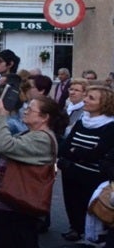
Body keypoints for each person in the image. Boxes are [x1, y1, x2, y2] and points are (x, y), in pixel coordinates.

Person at [0, 96, 67, 247]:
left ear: (44, 117)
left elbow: (6, 146)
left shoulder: (42, 139)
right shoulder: (29, 133)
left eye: (31, 109)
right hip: (12, 199)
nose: (25, 111)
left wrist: (3, 118)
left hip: (21, 202)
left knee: (19, 240)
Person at [57, 85, 114, 242]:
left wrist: (77, 152)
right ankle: (76, 229)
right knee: (72, 203)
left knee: (90, 207)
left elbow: (98, 154)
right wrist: (76, 152)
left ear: (105, 104)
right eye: (86, 96)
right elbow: (65, 147)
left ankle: (92, 238)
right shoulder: (82, 121)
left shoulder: (110, 126)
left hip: (92, 176)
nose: (85, 100)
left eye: (91, 98)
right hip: (71, 171)